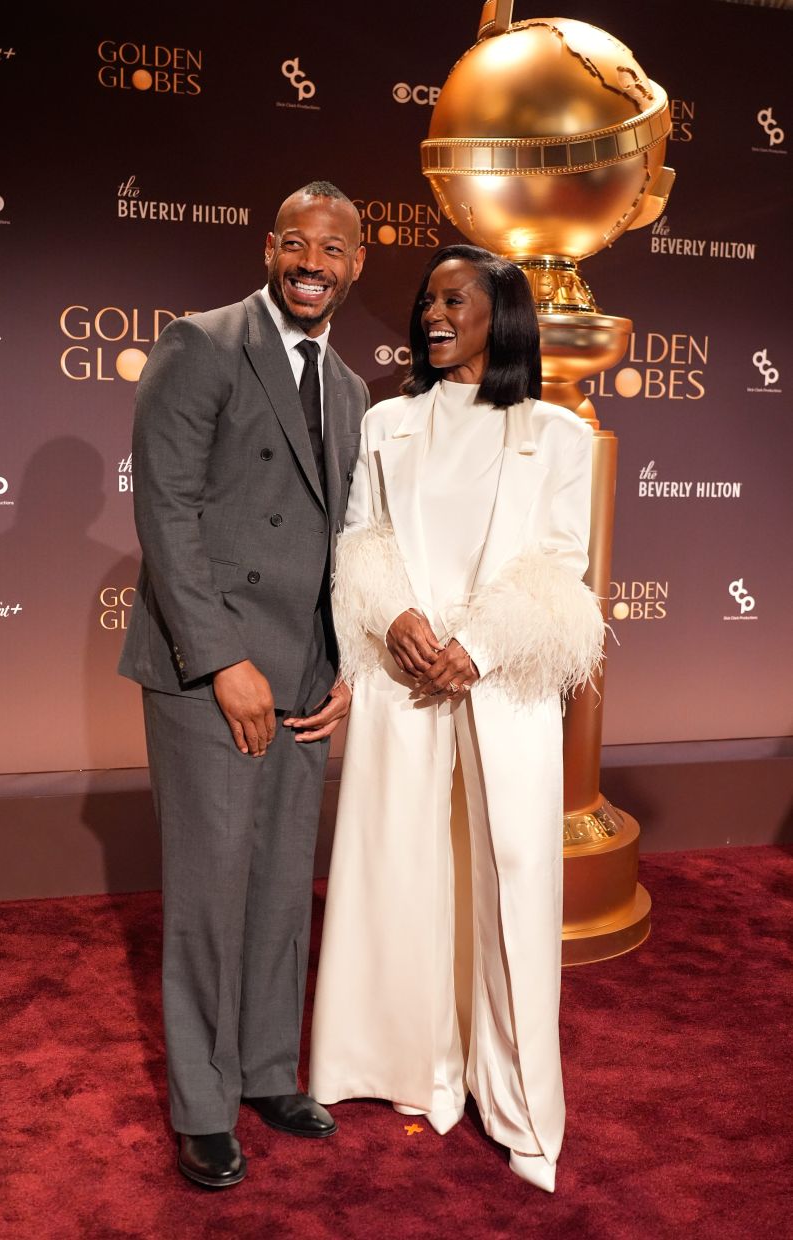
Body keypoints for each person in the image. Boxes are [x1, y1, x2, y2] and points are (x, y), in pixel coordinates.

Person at [308, 244, 604, 1193]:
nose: (433, 314)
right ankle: (405, 1067)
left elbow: (559, 564)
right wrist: (398, 621)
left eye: (455, 300)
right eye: (428, 300)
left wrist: (472, 647)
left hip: (500, 679)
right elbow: (361, 537)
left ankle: (518, 1103)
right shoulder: (387, 421)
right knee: (397, 861)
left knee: (510, 879)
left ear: (502, 314)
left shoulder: (557, 434)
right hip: (402, 677)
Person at [119, 181, 368, 1189]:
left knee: (277, 886)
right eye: (297, 243)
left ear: (356, 264)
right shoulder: (202, 343)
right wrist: (223, 661)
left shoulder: (350, 388)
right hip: (209, 670)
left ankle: (267, 1069)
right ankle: (203, 1102)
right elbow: (167, 512)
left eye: (334, 248)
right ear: (270, 247)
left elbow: (353, 542)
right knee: (211, 890)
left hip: (305, 673)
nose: (314, 261)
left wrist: (348, 664)